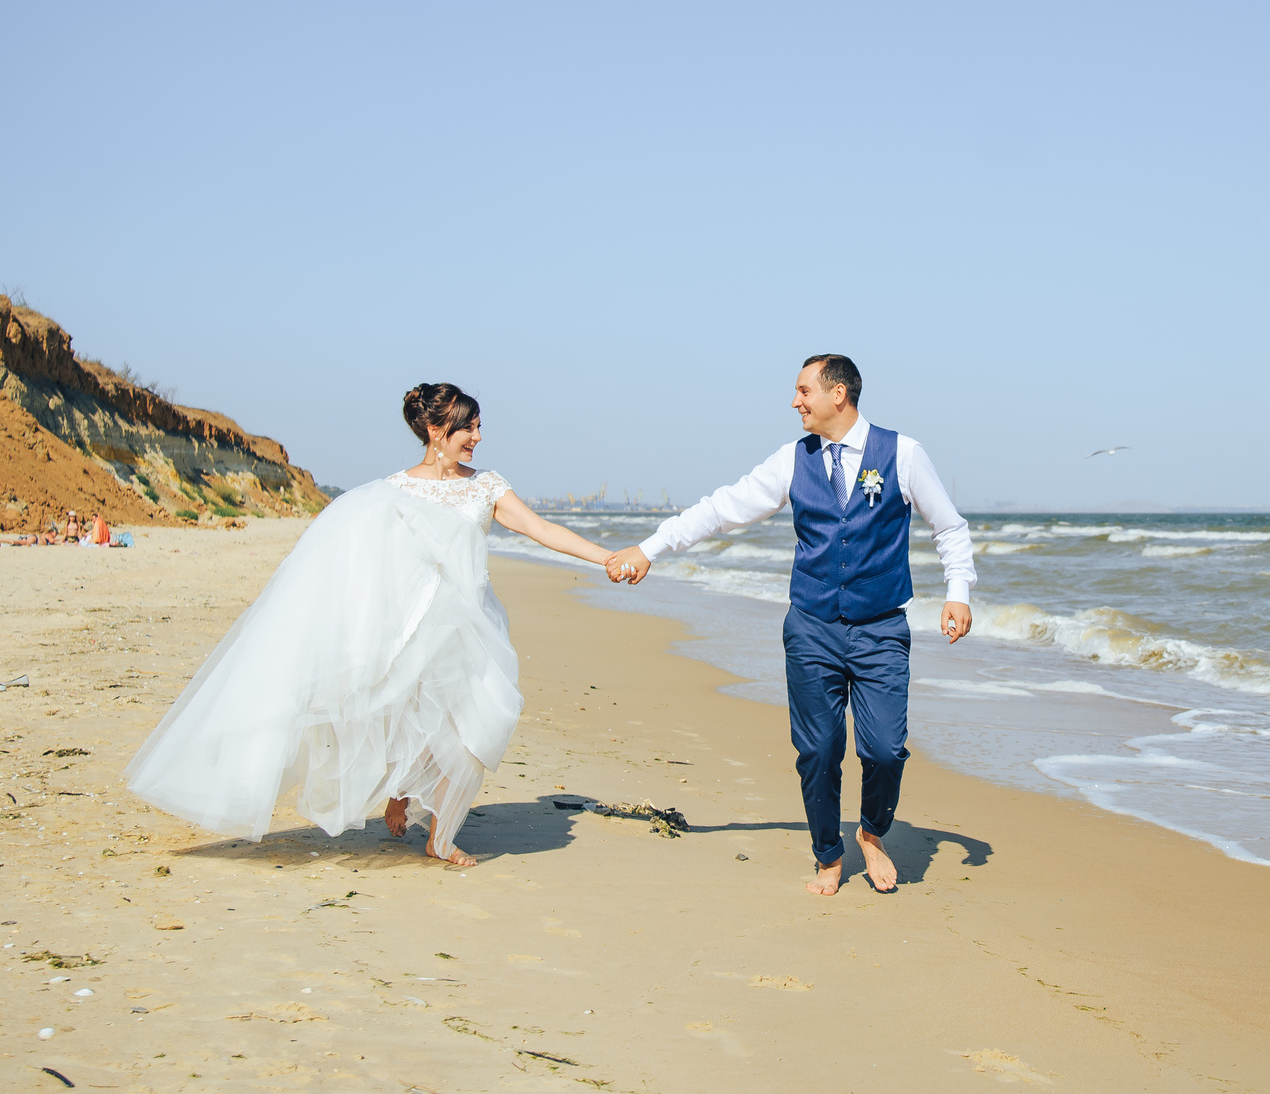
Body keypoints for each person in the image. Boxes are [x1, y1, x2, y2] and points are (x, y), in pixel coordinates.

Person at [125, 383, 617, 866]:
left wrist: (607, 556)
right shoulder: (392, 492)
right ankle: (411, 806)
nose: (477, 437)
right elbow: (360, 559)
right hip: (411, 626)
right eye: (468, 426)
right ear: (434, 429)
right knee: (407, 718)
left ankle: (439, 835)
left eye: (478, 426)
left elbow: (540, 528)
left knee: (476, 721)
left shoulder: (486, 484)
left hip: (469, 625)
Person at [605, 355, 974, 896]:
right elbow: (720, 510)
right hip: (811, 628)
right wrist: (650, 548)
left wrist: (958, 593)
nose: (795, 401)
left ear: (839, 394)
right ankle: (829, 853)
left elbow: (950, 528)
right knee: (819, 749)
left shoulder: (902, 453)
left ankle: (872, 832)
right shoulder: (790, 460)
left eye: (804, 390)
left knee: (885, 749)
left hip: (879, 630)